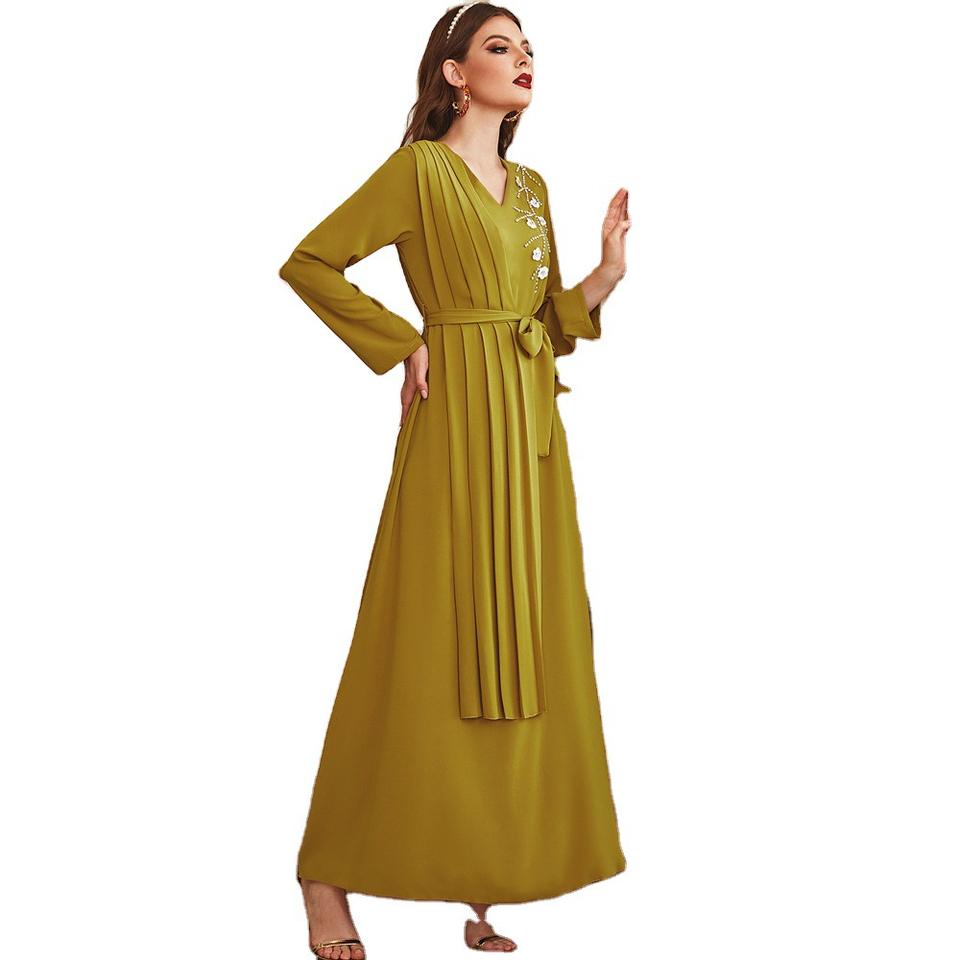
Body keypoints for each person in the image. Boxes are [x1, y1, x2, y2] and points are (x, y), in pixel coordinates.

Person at [278, 3, 631, 956]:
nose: (523, 61)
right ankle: (325, 877)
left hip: (532, 434)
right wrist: (404, 342)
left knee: (533, 638)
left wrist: (603, 276)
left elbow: (542, 324)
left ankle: (484, 873)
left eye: (529, 50)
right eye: (499, 47)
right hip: (453, 422)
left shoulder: (533, 188)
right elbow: (311, 262)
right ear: (453, 73)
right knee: (423, 633)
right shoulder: (418, 173)